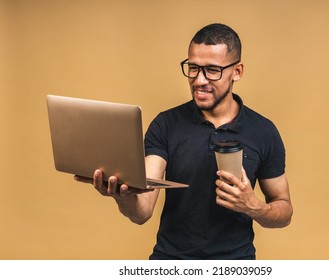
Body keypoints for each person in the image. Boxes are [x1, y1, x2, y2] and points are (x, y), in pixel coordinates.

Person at [75, 23, 293, 260]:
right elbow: (142, 212)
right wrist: (123, 196)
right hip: (170, 262)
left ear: (237, 72)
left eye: (212, 70)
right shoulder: (165, 124)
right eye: (193, 68)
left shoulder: (263, 131)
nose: (199, 80)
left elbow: (284, 211)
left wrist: (253, 206)